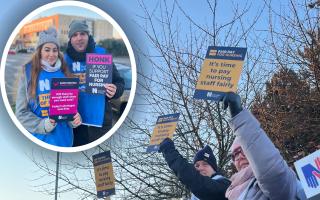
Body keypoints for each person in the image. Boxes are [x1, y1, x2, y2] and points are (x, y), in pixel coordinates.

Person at [223, 92, 307, 200]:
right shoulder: (231, 191)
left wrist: (238, 115)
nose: (239, 157)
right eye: (234, 155)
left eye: (242, 150)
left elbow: (270, 170)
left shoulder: (280, 180)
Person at [15, 27, 82, 147]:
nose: (51, 54)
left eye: (55, 50)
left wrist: (75, 119)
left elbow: (71, 108)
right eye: (47, 50)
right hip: (40, 141)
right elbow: (21, 114)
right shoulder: (28, 72)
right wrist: (43, 125)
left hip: (64, 141)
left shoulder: (65, 73)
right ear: (40, 51)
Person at [64, 19, 124, 146]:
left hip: (100, 123)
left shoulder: (101, 54)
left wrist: (115, 90)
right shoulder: (64, 60)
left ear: (88, 36)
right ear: (70, 39)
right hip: (75, 123)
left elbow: (119, 82)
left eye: (82, 34)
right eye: (74, 35)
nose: (79, 38)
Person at [159, 138, 231, 200]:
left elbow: (199, 183)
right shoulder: (196, 195)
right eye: (197, 165)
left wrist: (170, 153)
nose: (200, 168)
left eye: (205, 164)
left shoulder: (225, 186)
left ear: (214, 169)